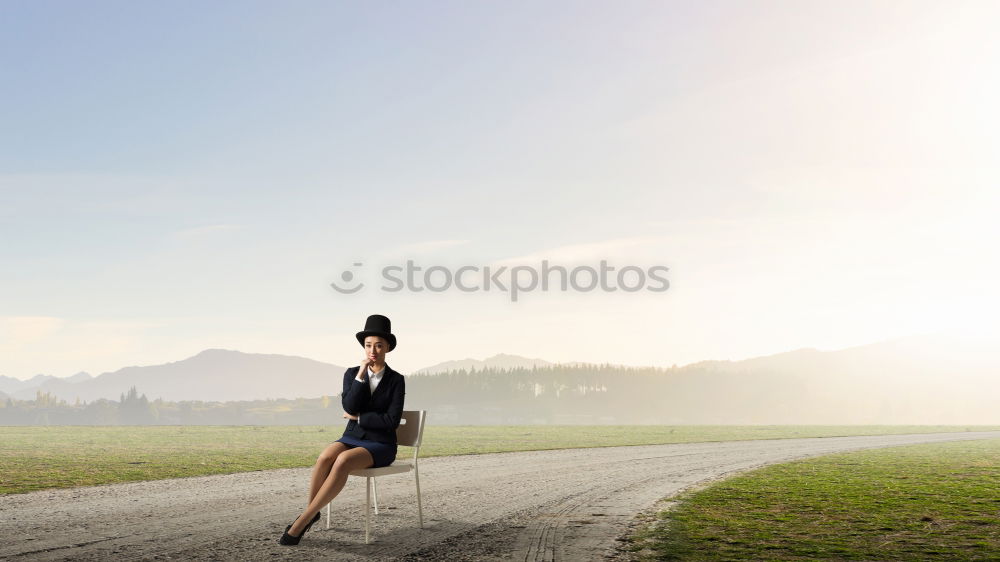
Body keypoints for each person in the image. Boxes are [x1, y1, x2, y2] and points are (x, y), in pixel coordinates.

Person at [279, 314, 406, 545]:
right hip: (352, 436)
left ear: (388, 347)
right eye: (368, 345)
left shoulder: (397, 380)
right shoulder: (351, 373)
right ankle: (312, 512)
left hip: (381, 444)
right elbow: (348, 406)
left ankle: (301, 522)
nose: (373, 350)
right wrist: (360, 375)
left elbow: (391, 421)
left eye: (379, 345)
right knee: (326, 456)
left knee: (343, 461)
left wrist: (359, 417)